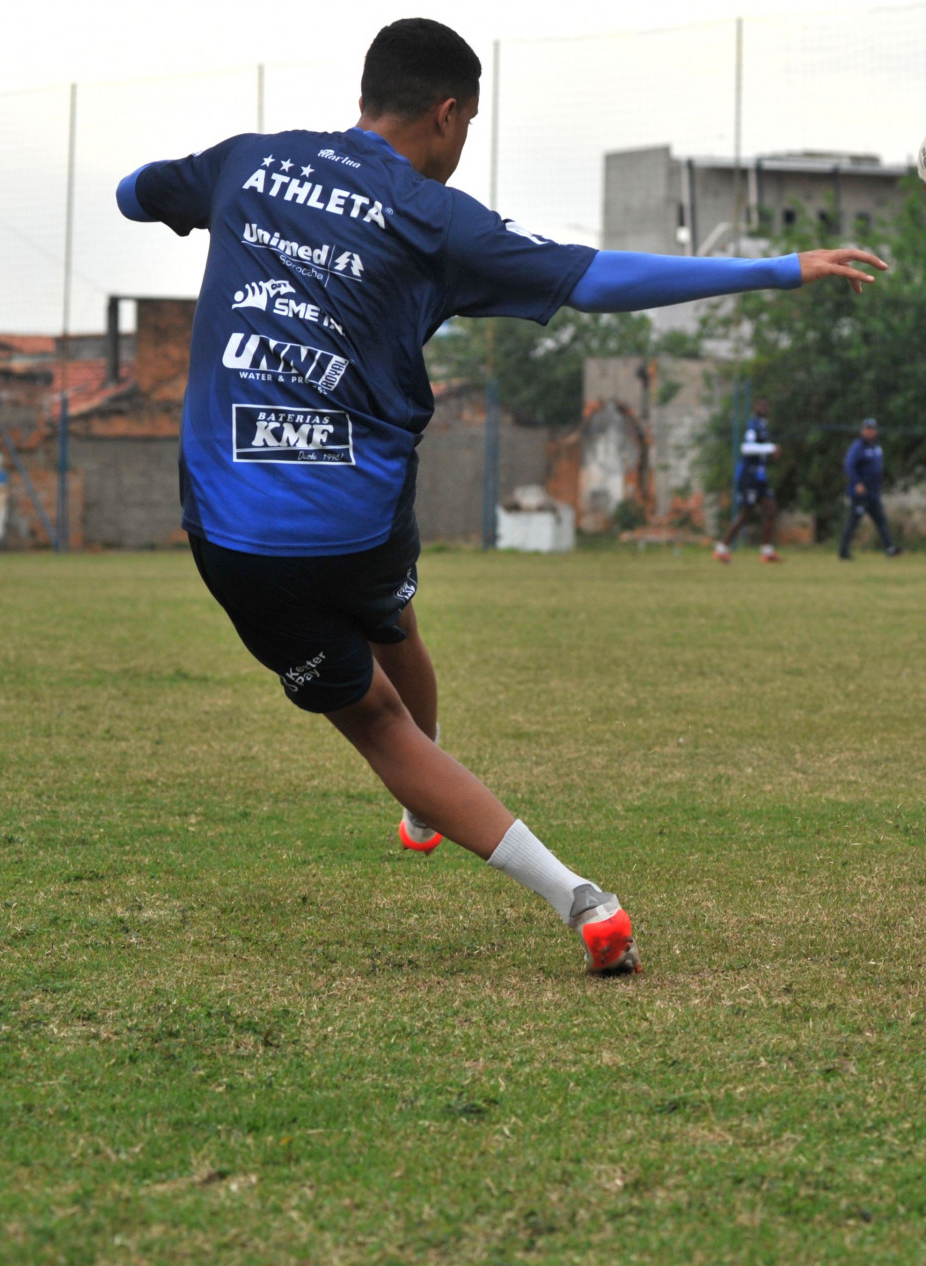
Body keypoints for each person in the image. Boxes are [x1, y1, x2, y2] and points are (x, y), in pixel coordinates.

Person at [114, 18, 886, 974]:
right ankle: (440, 808)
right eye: (469, 124)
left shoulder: (247, 162)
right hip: (358, 514)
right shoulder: (438, 220)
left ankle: (579, 900)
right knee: (393, 625)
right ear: (445, 114)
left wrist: (161, 196)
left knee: (377, 725)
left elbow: (136, 192)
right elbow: (598, 280)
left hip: (234, 529)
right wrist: (780, 269)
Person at [715, 399, 779, 563]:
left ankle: (766, 551)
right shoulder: (753, 426)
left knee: (771, 509)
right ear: (755, 408)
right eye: (761, 405)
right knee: (745, 514)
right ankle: (721, 548)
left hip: (760, 476)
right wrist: (770, 448)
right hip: (749, 476)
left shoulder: (764, 426)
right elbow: (747, 448)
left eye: (766, 405)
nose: (764, 408)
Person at [838, 417, 897, 559]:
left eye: (872, 429)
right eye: (867, 429)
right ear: (863, 431)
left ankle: (890, 548)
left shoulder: (876, 447)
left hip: (873, 493)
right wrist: (857, 483)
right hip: (860, 493)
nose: (870, 432)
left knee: (880, 521)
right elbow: (849, 466)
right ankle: (843, 551)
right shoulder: (858, 447)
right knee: (852, 522)